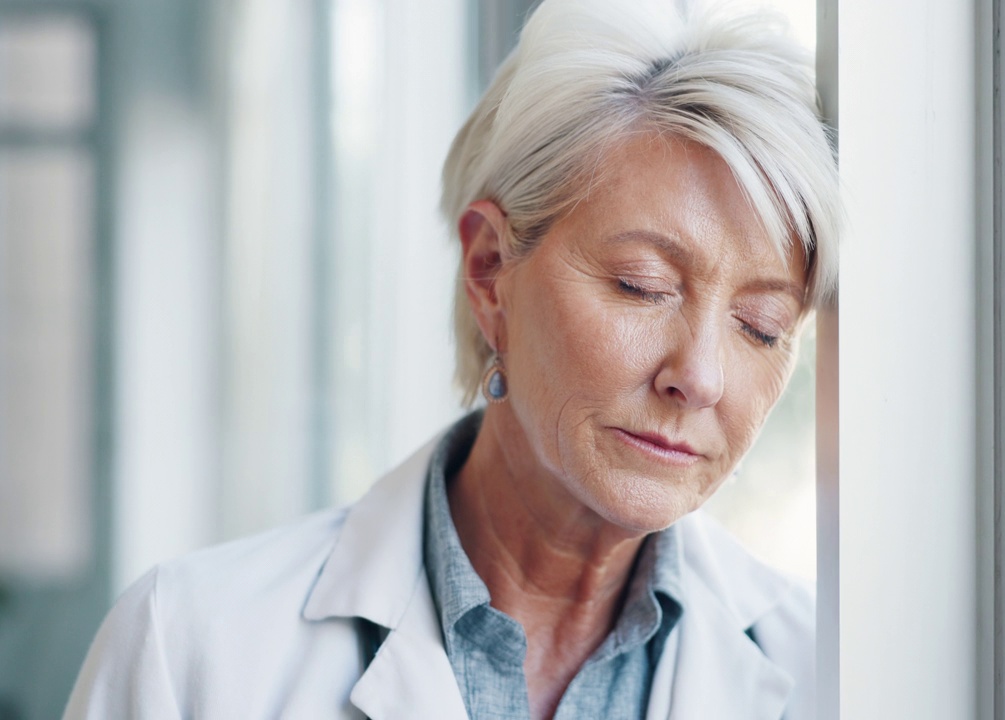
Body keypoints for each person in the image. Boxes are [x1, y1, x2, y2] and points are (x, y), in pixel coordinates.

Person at [63, 0, 840, 717]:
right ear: (490, 270)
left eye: (763, 327)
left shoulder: (833, 673)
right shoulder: (192, 650)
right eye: (642, 287)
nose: (698, 377)